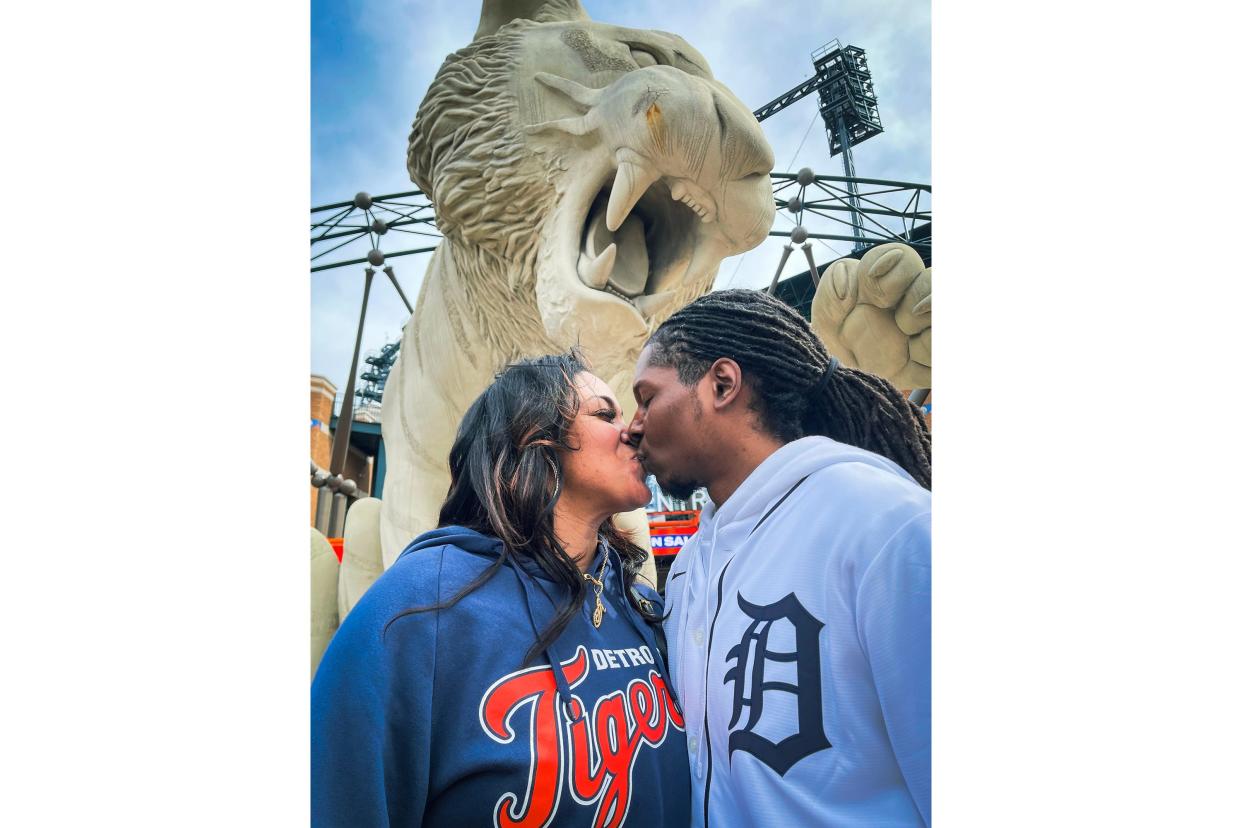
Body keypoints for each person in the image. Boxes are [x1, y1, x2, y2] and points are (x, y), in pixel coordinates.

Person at [312, 351, 690, 827]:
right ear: (536, 438)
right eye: (604, 413)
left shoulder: (642, 604)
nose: (632, 429)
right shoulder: (417, 607)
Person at [625, 289, 932, 827]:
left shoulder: (882, 520)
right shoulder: (694, 561)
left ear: (721, 384)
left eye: (647, 398)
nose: (633, 424)